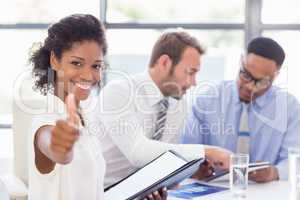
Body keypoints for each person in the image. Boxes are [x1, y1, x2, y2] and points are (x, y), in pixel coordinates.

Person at [28, 14, 166, 200]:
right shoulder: (44, 122)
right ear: (54, 59)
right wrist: (59, 148)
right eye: (76, 63)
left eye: (96, 66)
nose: (88, 75)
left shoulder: (87, 116)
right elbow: (53, 147)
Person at [95, 30, 232, 187]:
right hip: (105, 192)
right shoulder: (119, 92)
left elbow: (164, 159)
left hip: (147, 192)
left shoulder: (178, 104)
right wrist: (206, 151)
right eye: (190, 72)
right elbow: (137, 151)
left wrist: (189, 171)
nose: (194, 82)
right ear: (165, 62)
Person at [181, 37, 300, 183]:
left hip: (267, 191)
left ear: (276, 76)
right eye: (246, 75)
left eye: (262, 81)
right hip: (214, 190)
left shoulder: (289, 108)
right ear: (240, 62)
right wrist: (196, 170)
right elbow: (187, 151)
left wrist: (274, 173)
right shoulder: (206, 100)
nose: (250, 87)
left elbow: (295, 160)